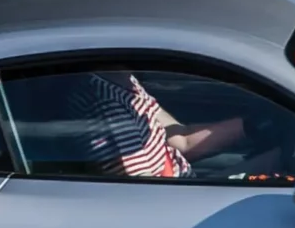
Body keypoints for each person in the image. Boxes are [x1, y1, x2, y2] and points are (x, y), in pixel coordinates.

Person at [63, 70, 245, 180]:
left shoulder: (123, 81)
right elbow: (142, 191)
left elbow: (181, 140)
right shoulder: (107, 104)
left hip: (181, 182)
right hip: (176, 203)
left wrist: (251, 126)